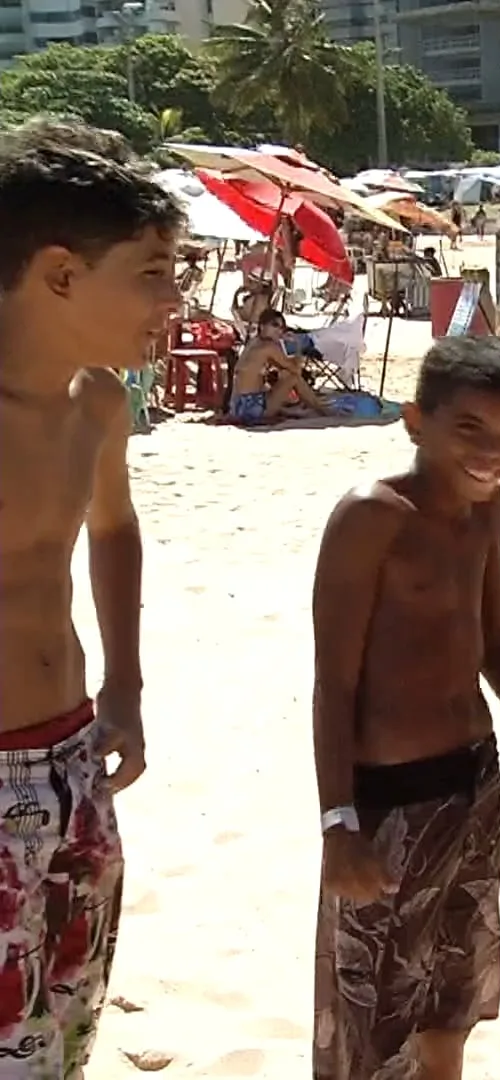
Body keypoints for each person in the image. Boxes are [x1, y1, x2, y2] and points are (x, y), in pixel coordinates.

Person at [0, 118, 180, 1076]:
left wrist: (128, 685)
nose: (176, 295)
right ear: (62, 273)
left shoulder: (98, 404)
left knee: (65, 1029)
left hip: (72, 759)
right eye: (152, 271)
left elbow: (112, 528)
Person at [309, 336, 500, 1080]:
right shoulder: (372, 517)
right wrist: (337, 822)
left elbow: (498, 647)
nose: (492, 453)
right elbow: (333, 682)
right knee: (372, 1024)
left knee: (453, 998)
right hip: (386, 808)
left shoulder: (487, 510)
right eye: (469, 430)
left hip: (473, 786)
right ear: (416, 421)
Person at [229, 308, 327, 423]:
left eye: (282, 327)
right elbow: (296, 371)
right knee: (293, 378)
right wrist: (298, 346)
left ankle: (315, 406)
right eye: (274, 325)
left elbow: (282, 366)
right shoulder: (268, 347)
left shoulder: (254, 342)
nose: (279, 330)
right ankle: (322, 410)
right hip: (250, 407)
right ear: (262, 326)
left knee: (287, 376)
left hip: (236, 406)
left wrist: (280, 343)